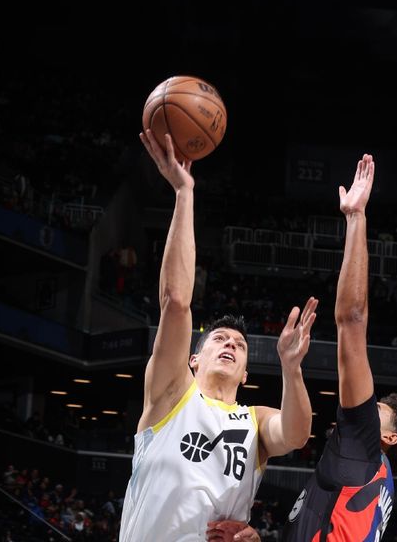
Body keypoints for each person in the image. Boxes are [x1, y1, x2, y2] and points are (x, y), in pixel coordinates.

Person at [211, 155, 397, 542]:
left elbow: (353, 320)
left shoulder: (362, 447)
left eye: (373, 408)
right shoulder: (357, 476)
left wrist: (356, 218)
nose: (361, 404)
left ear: (388, 437)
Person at [120, 130, 317, 542]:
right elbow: (175, 301)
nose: (230, 344)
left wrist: (291, 369)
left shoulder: (255, 421)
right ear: (193, 360)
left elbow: (297, 434)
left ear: (246, 373)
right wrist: (183, 193)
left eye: (240, 345)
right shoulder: (172, 393)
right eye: (219, 339)